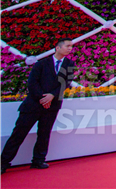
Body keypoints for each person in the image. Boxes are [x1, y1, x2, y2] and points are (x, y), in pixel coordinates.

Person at [1, 38, 75, 173]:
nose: (70, 48)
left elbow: (65, 83)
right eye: (67, 46)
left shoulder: (70, 64)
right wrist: (43, 99)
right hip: (33, 105)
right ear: (58, 48)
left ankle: (38, 160)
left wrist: (52, 96)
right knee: (18, 134)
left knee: (44, 134)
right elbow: (32, 83)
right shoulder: (41, 64)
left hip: (52, 105)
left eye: (71, 46)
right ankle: (3, 162)